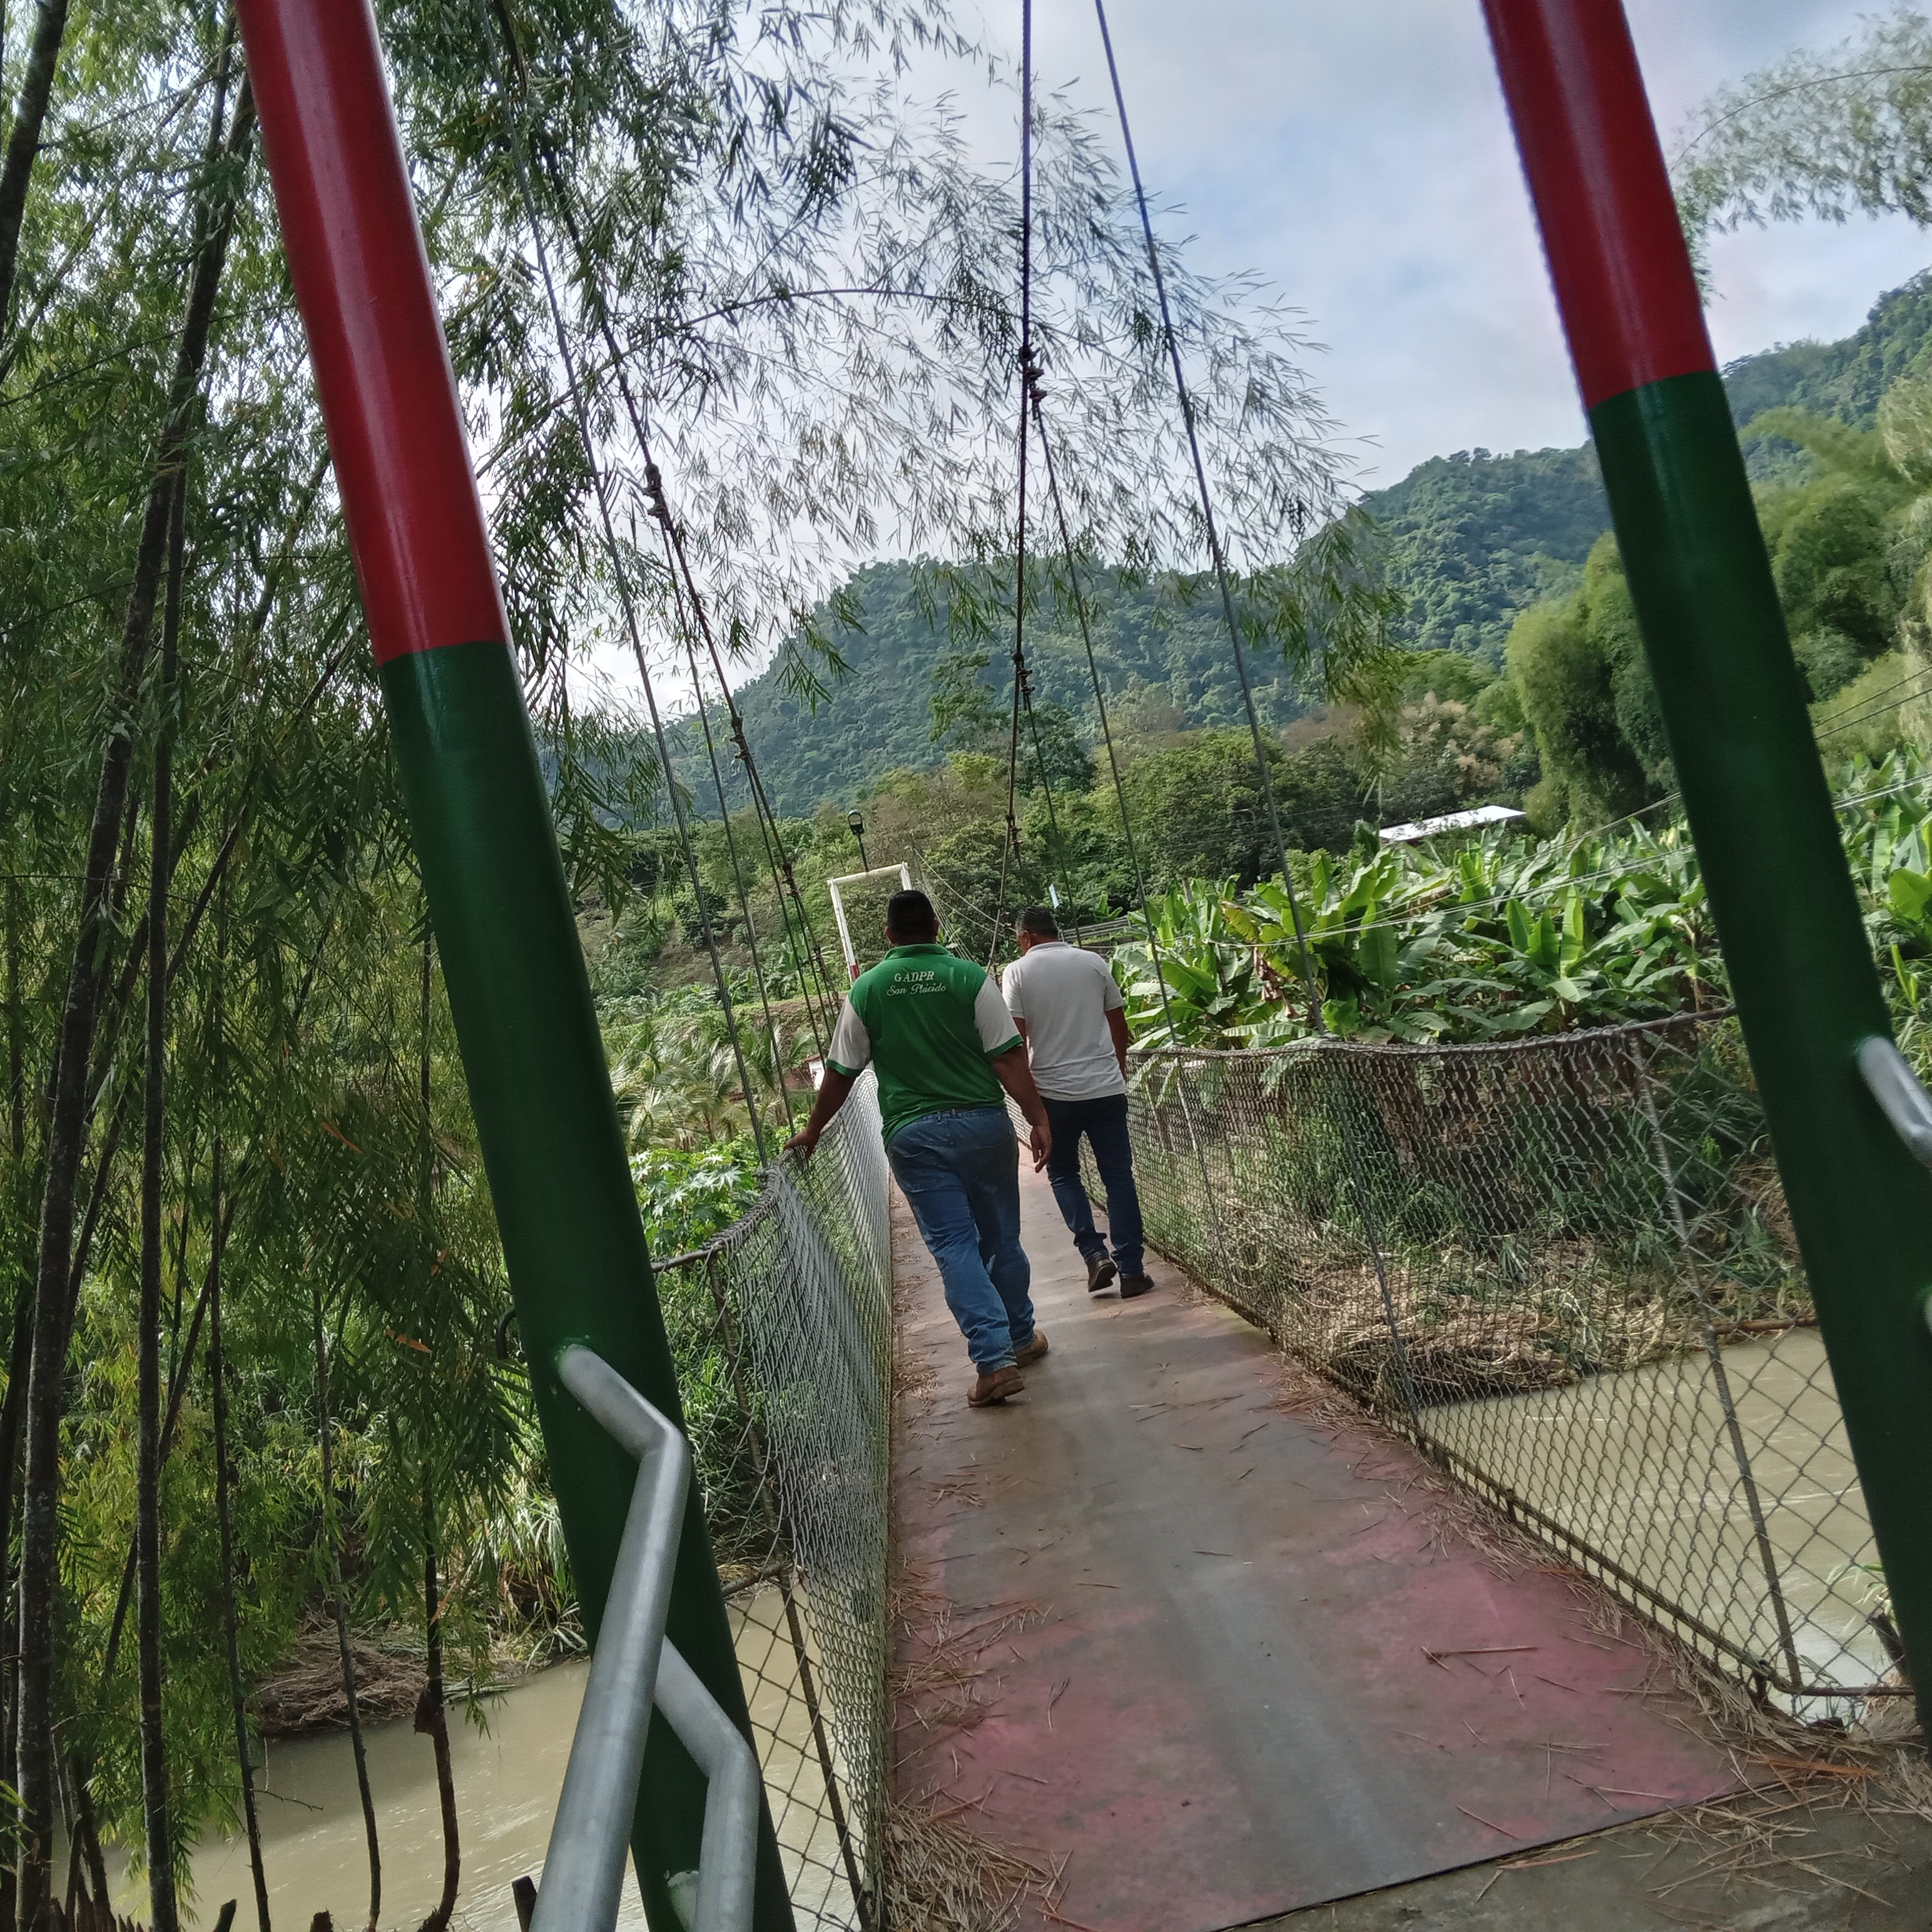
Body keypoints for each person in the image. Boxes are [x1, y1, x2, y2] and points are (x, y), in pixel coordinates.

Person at [785, 889, 1054, 1408]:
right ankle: (1021, 1339)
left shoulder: (866, 989)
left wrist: (814, 1128)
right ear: (936, 928)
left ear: (889, 936)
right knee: (1001, 1237)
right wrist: (1038, 1118)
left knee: (955, 1246)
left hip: (914, 1137)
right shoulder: (969, 977)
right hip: (983, 1126)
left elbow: (841, 1071)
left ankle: (994, 1362)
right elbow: (1007, 1058)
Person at [1000, 907, 1151, 1299]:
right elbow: (1119, 1025)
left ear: (1026, 937)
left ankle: (1094, 1253)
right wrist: (1115, 1070)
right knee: (1118, 1178)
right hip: (1106, 1089)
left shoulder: (1017, 972)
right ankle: (1133, 1271)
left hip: (1054, 1096)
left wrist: (1031, 1109)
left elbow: (1016, 1041)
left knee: (1064, 1174)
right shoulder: (1094, 962)